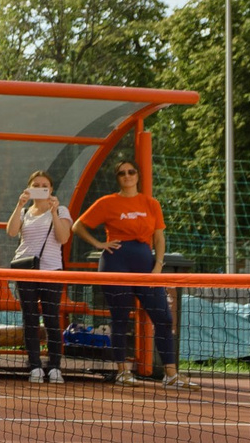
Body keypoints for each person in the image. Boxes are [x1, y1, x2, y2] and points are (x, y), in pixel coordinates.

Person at [74, 158, 191, 388]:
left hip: (145, 264)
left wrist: (158, 265)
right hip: (115, 262)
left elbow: (159, 237)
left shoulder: (151, 203)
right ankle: (123, 372)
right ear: (117, 178)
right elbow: (77, 225)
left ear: (137, 175)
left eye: (131, 172)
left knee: (164, 318)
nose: (127, 176)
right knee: (120, 318)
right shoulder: (107, 202)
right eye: (121, 173)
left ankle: (171, 374)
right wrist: (98, 244)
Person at [6, 169, 72, 383]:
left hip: (51, 271)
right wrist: (19, 205)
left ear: (51, 189)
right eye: (35, 185)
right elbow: (11, 231)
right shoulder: (25, 212)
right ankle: (34, 365)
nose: (40, 189)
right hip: (26, 270)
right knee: (30, 318)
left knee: (52, 318)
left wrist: (53, 212)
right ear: (29, 188)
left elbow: (63, 238)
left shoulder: (61, 210)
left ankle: (54, 366)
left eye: (44, 186)